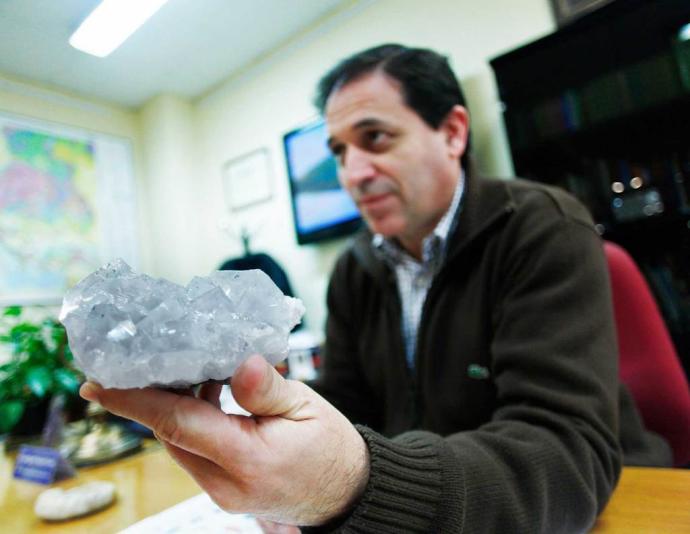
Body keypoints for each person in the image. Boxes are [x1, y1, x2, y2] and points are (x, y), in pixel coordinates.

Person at [80, 44, 671, 532]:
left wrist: (351, 483)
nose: (353, 174)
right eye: (339, 151)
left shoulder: (543, 228)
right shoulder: (356, 268)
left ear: (453, 132)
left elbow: (566, 455)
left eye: (376, 139)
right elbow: (349, 400)